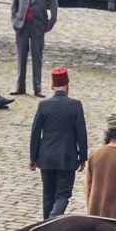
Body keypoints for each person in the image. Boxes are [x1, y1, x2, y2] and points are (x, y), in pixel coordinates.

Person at [28, 67, 88, 219]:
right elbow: (81, 133)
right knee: (63, 194)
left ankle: (45, 225)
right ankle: (52, 220)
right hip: (67, 157)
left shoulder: (44, 105)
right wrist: (83, 157)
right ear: (68, 84)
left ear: (52, 86)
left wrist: (33, 157)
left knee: (48, 195)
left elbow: (35, 132)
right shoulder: (75, 105)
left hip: (46, 156)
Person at [10, 0, 58, 97]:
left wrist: (50, 23)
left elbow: (54, 6)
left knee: (37, 58)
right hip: (22, 26)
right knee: (21, 56)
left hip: (38, 26)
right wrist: (14, 21)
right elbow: (14, 4)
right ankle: (20, 87)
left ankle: (37, 88)